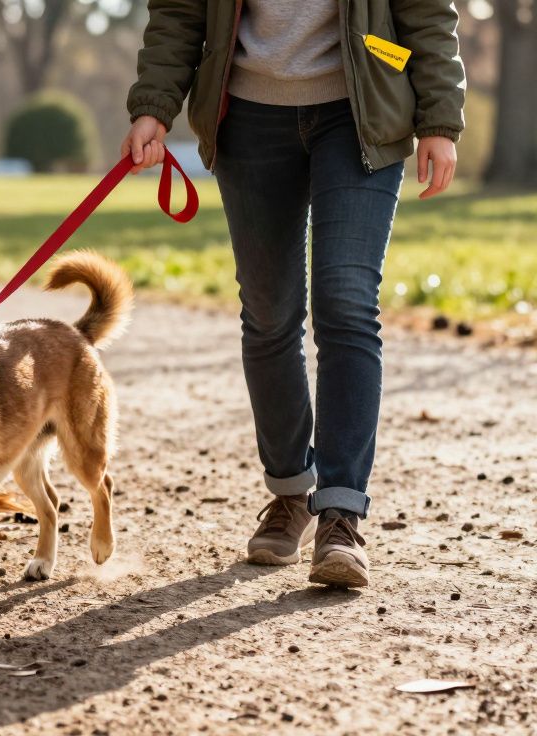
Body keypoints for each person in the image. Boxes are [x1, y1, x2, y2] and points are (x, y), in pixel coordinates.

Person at [121, 0, 465, 587]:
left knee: (347, 302)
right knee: (269, 312)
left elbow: (426, 9)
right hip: (248, 117)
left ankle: (340, 512)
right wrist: (156, 104)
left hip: (363, 106)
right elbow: (179, 10)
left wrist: (439, 118)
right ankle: (289, 493)